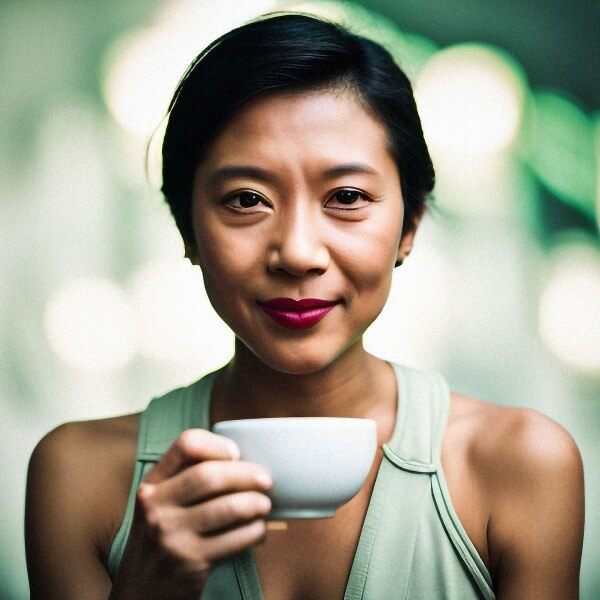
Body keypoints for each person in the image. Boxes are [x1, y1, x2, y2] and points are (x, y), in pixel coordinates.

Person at [25, 12, 584, 600]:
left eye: (346, 197)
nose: (296, 252)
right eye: (246, 200)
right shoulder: (81, 479)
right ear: (186, 228)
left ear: (409, 225)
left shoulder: (519, 467)